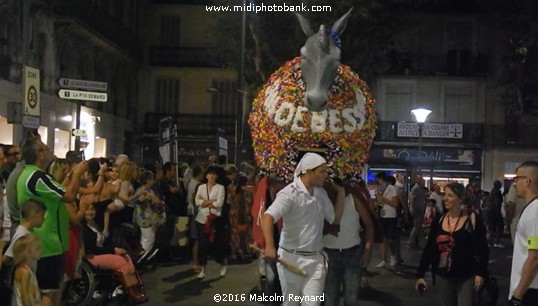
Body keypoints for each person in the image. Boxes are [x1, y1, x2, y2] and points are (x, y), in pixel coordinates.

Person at [262, 152, 344, 306]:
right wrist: (269, 246)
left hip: (316, 260)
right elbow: (268, 217)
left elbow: (334, 219)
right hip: (290, 259)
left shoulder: (321, 193)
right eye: (322, 171)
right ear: (308, 171)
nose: (326, 175)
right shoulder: (289, 193)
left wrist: (341, 193)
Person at [16, 138, 88, 306]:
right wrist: (77, 174)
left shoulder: (29, 175)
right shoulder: (37, 177)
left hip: (40, 242)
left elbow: (59, 191)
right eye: (45, 148)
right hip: (46, 244)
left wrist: (71, 176)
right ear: (39, 154)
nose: (49, 150)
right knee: (48, 293)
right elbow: (69, 196)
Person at [416, 182, 489, 306]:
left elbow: (483, 249)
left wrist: (480, 273)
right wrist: (420, 274)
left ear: (460, 198)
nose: (445, 198)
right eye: (445, 194)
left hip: (467, 275)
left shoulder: (472, 219)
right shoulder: (439, 220)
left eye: (450, 195)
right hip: (443, 276)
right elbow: (430, 249)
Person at [323, 179, 375, 306]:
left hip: (352, 253)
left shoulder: (353, 198)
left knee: (351, 297)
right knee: (330, 297)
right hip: (328, 254)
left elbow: (369, 224)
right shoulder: (322, 199)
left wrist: (368, 250)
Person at [82, 204, 148, 303]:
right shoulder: (84, 228)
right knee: (120, 261)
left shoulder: (94, 225)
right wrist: (113, 250)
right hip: (92, 256)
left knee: (126, 257)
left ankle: (136, 288)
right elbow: (93, 249)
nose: (91, 212)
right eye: (87, 210)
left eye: (92, 209)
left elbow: (105, 239)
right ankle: (131, 293)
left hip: (101, 253)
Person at [508, 161, 538, 305]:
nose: (514, 184)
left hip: (530, 289)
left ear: (528, 180)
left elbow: (535, 255)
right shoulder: (532, 209)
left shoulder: (535, 211)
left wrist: (518, 295)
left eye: (517, 178)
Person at [194, 166, 226, 279]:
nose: (212, 176)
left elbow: (219, 204)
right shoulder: (201, 187)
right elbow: (197, 201)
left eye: (214, 174)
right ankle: (203, 268)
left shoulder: (220, 188)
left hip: (215, 219)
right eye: (209, 174)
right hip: (202, 219)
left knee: (216, 244)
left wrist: (205, 202)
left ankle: (222, 262)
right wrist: (211, 202)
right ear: (206, 175)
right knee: (203, 245)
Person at [11, 234, 41, 306]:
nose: (40, 251)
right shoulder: (25, 272)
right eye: (37, 249)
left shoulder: (29, 269)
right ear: (27, 253)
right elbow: (24, 294)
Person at [408, 176, 426, 248]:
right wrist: (413, 208)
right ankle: (411, 241)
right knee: (417, 226)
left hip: (419, 209)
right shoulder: (416, 188)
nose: (423, 183)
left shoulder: (419, 188)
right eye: (422, 181)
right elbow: (413, 199)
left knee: (418, 226)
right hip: (417, 209)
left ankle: (415, 241)